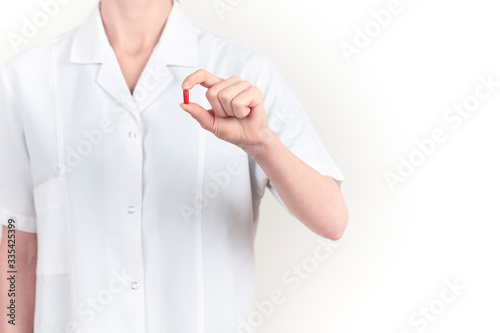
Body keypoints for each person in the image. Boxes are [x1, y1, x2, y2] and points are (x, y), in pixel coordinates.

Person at [0, 0, 348, 332]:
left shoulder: (243, 72)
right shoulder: (27, 79)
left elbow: (332, 221)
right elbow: (16, 245)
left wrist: (262, 144)